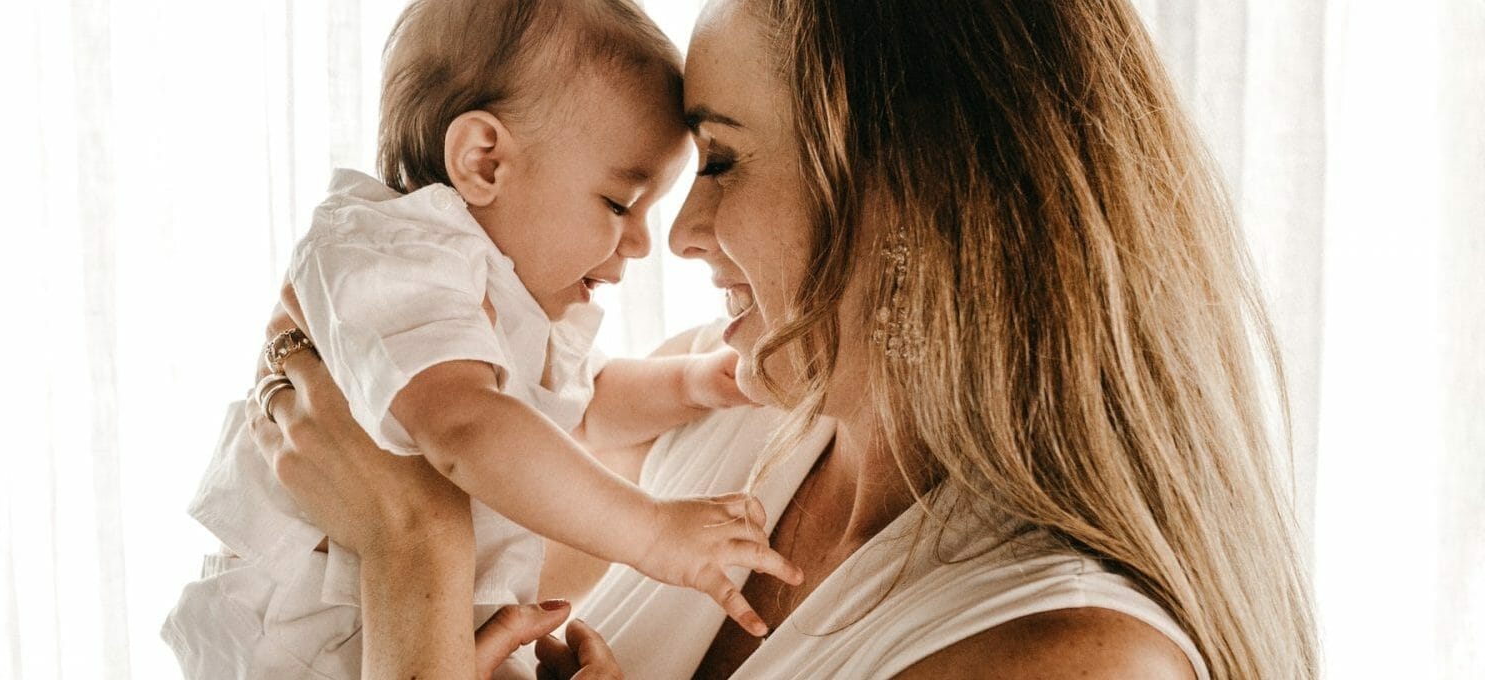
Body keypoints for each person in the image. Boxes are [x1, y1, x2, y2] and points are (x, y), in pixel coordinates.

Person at [248, 0, 1322, 678]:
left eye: (718, 161)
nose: (679, 232)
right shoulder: (710, 432)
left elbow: (427, 551)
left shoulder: (1073, 658)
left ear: (910, 193)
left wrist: (411, 546)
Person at [162, 1, 802, 678]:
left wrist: (694, 382)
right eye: (620, 204)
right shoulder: (389, 251)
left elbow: (572, 410)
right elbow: (469, 425)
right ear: (484, 162)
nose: (646, 243)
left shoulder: (492, 295)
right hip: (307, 639)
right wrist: (653, 531)